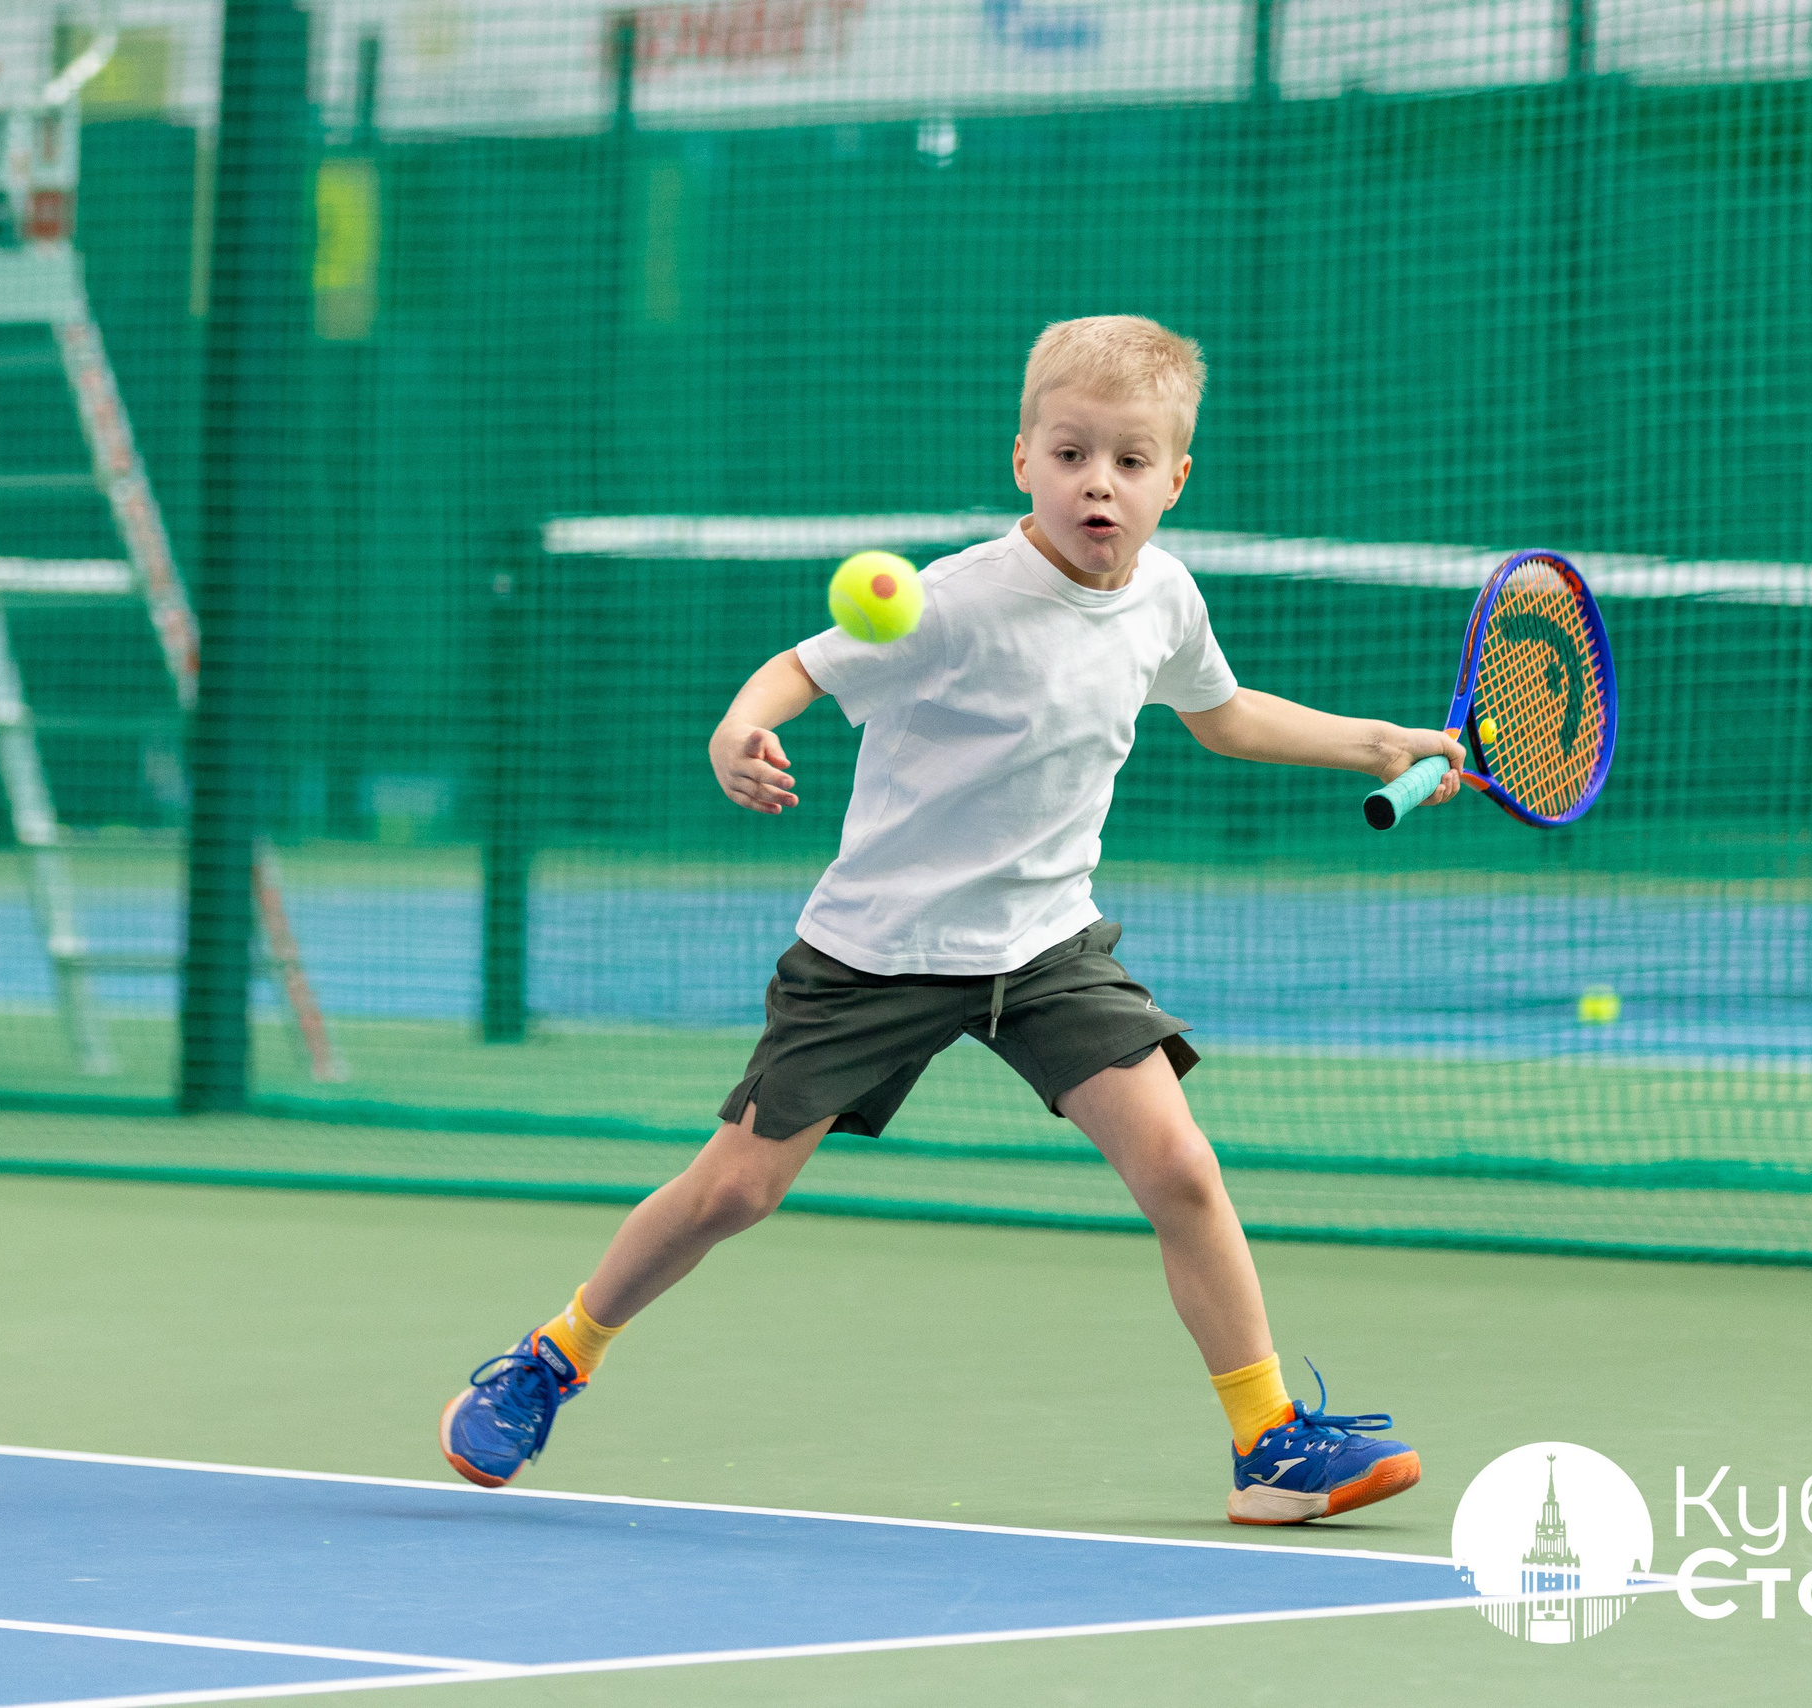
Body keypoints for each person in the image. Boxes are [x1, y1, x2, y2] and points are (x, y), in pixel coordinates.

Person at [440, 315, 1464, 1524]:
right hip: (878, 952)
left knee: (1182, 1167)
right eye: (1071, 452)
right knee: (735, 1193)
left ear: (1174, 480)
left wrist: (1378, 740)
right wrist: (736, 730)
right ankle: (554, 1355)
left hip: (1046, 949)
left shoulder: (1164, 599)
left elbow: (1224, 712)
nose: (1099, 482)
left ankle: (1268, 1444)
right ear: (1021, 457)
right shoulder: (954, 600)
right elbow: (802, 669)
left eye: (1130, 461)